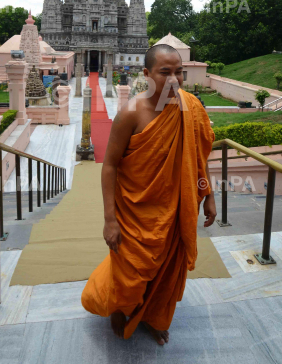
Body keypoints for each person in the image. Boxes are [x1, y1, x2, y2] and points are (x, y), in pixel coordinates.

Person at [81, 44, 217, 345]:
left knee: (165, 271)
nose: (174, 80)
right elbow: (110, 166)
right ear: (147, 74)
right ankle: (119, 307)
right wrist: (110, 220)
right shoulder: (131, 113)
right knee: (129, 273)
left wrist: (209, 196)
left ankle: (154, 316)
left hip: (176, 208)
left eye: (178, 72)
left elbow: (198, 157)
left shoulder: (190, 107)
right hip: (134, 211)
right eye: (164, 72)